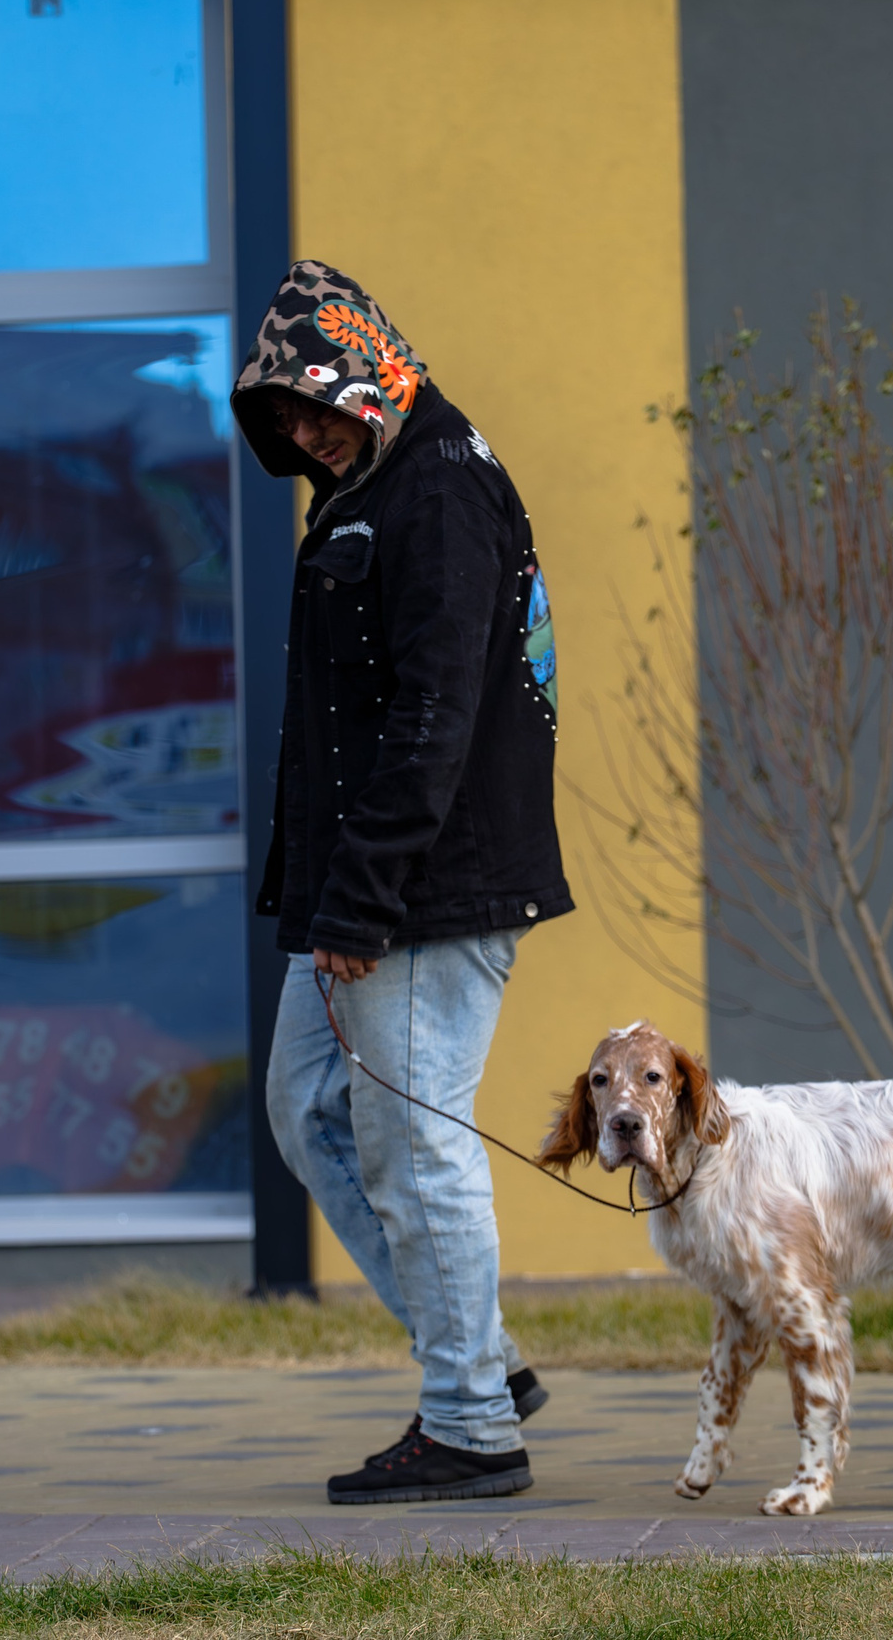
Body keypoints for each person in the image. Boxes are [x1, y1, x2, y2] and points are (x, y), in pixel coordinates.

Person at [231, 262, 572, 1504]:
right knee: (309, 1114)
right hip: (361, 891)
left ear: (372, 368)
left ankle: (471, 1424)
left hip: (418, 895)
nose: (310, 436)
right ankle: (473, 1352)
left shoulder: (438, 490)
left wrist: (364, 902)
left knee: (417, 1149)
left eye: (320, 407)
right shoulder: (384, 481)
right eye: (287, 424)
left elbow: (435, 716)